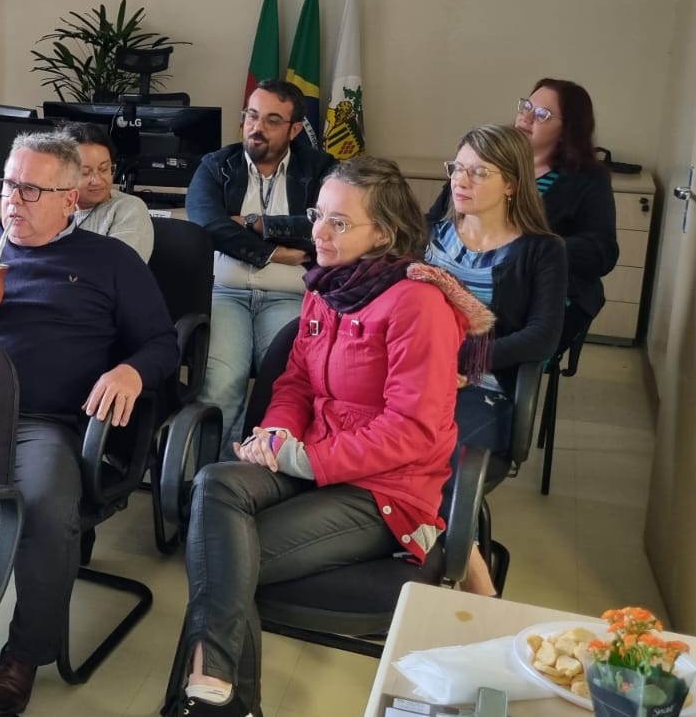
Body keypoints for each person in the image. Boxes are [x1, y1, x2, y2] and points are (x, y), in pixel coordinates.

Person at [163, 156, 492, 717]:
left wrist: (306, 459)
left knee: (222, 562)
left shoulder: (419, 305)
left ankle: (210, 699)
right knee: (215, 485)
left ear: (383, 234)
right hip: (313, 461)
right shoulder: (326, 287)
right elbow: (294, 381)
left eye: (339, 222)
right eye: (318, 214)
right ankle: (219, 693)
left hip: (385, 490)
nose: (317, 231)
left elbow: (412, 430)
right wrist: (275, 433)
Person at [0, 131, 178, 717]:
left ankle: (25, 652)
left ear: (70, 199)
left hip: (41, 422)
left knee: (44, 504)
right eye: (7, 185)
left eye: (30, 190)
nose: (12, 201)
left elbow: (163, 342)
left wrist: (130, 372)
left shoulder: (109, 261)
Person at [424, 124, 567, 595]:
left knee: (436, 462)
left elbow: (543, 337)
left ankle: (477, 595)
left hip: (482, 388)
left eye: (478, 172)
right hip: (414, 376)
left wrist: (466, 359)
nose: (460, 181)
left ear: (511, 183)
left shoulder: (542, 250)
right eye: (457, 168)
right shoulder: (435, 230)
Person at [185, 79, 336, 452]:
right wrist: (278, 253)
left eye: (271, 120)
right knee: (221, 383)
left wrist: (256, 223)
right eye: (251, 115)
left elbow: (325, 227)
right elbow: (208, 225)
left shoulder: (321, 170)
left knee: (285, 384)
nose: (256, 127)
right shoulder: (216, 166)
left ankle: (259, 475)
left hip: (289, 297)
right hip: (226, 293)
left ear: (294, 129)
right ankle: (211, 482)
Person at [426, 79, 617, 351]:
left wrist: (525, 245)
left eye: (541, 114)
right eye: (526, 106)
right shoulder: (482, 161)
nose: (526, 117)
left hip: (547, 291)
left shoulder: (587, 179)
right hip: (469, 280)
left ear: (567, 130)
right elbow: (436, 222)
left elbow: (603, 253)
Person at [60, 121, 154, 260]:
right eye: (85, 173)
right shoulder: (51, 204)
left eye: (104, 169)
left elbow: (118, 268)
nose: (97, 180)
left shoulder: (128, 208)